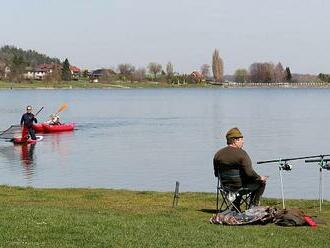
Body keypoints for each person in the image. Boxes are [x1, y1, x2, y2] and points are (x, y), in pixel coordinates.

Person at [213, 127, 267, 210]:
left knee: (240, 181)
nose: (243, 142)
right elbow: (250, 173)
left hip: (225, 187)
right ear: (235, 140)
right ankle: (253, 206)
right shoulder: (242, 154)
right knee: (261, 182)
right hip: (240, 188)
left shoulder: (218, 154)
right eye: (241, 139)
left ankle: (236, 206)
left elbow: (216, 174)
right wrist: (259, 178)